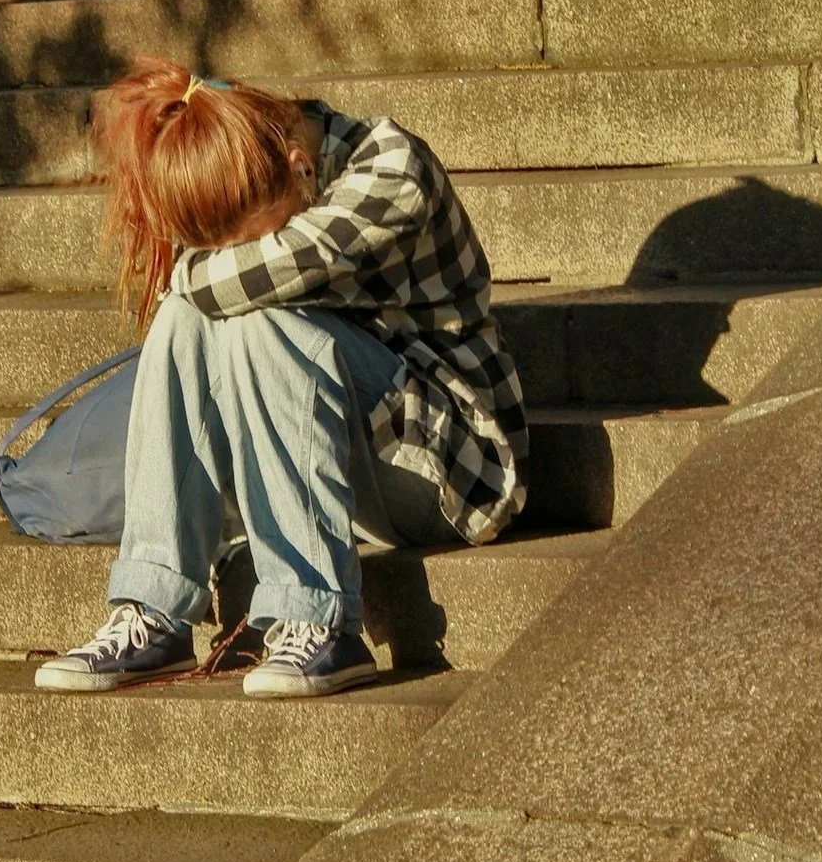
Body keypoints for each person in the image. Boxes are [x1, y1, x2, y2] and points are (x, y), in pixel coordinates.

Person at [34, 59, 528, 700]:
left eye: (252, 238)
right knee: (197, 317)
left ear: (300, 165)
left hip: (454, 468)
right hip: (350, 463)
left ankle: (318, 621)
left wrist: (192, 273)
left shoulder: (390, 169)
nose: (236, 254)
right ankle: (153, 606)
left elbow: (229, 280)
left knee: (246, 314)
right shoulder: (260, 167)